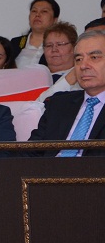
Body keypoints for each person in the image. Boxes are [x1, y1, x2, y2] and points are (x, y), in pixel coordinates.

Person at [27, 28, 105, 156]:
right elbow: (30, 152)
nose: (83, 66)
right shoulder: (58, 103)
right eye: (78, 59)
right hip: (49, 168)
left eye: (94, 57)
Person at [12, 0, 59, 68]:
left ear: (55, 20)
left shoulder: (59, 47)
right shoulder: (15, 43)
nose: (37, 15)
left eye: (44, 11)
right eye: (34, 11)